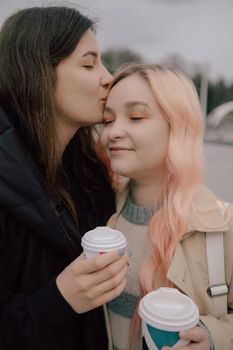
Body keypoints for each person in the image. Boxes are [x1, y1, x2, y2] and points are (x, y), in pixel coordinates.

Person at [0, 6, 129, 350]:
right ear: (36, 72)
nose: (108, 77)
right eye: (89, 64)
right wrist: (58, 301)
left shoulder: (91, 173)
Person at [100, 63, 233, 350]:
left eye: (135, 117)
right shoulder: (97, 211)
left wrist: (213, 338)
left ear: (179, 125)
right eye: (108, 120)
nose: (113, 132)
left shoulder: (224, 226)